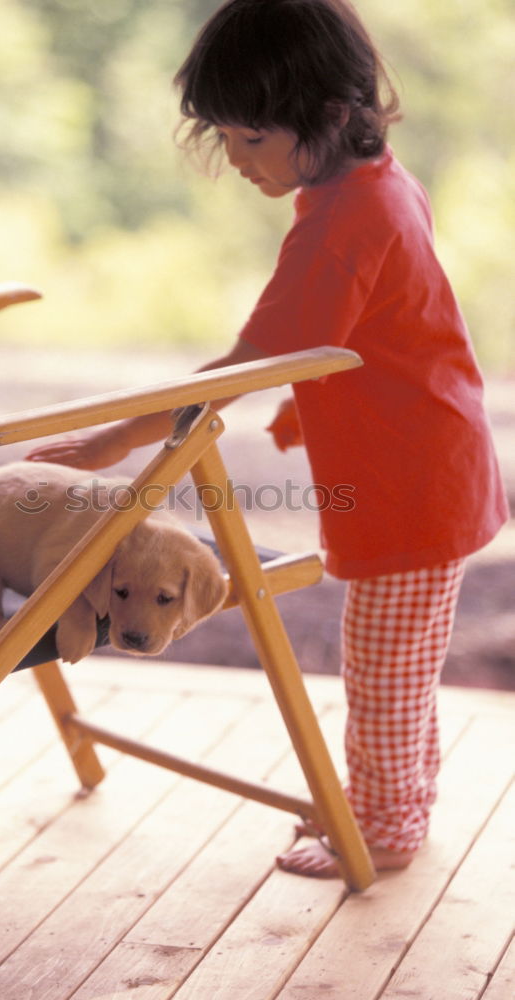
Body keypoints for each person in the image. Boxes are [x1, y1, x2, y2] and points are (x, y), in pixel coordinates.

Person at [27, 0, 508, 878]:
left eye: (251, 140)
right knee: (398, 668)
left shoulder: (340, 220)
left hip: (414, 484)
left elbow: (243, 367)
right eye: (227, 140)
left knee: (383, 676)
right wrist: (307, 404)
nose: (239, 163)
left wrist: (109, 442)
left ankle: (387, 830)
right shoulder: (372, 183)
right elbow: (373, 332)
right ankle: (396, 805)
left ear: (328, 117)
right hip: (432, 462)